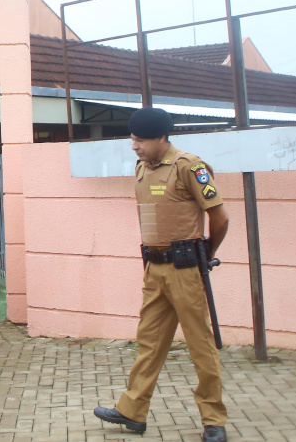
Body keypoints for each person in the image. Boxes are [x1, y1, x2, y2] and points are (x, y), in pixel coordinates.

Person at [93, 107, 230, 442]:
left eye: (140, 140)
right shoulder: (142, 168)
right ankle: (132, 411)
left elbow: (220, 216)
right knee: (150, 342)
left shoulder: (189, 167)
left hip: (185, 268)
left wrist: (207, 253)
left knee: (200, 344)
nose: (134, 146)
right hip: (154, 268)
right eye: (132, 139)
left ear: (161, 138)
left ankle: (213, 420)